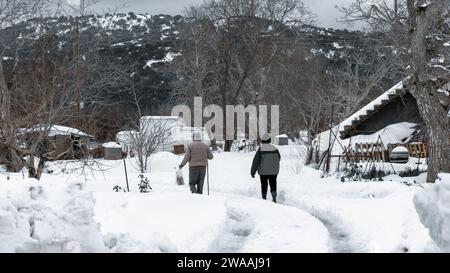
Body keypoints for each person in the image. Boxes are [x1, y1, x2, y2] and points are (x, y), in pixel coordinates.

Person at [250, 133, 281, 203]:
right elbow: (279, 158)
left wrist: (253, 172)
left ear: (262, 140)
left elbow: (255, 161)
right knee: (273, 184)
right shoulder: (275, 148)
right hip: (273, 171)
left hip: (263, 172)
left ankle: (264, 199)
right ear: (269, 140)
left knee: (264, 184)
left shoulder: (261, 149)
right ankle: (274, 198)